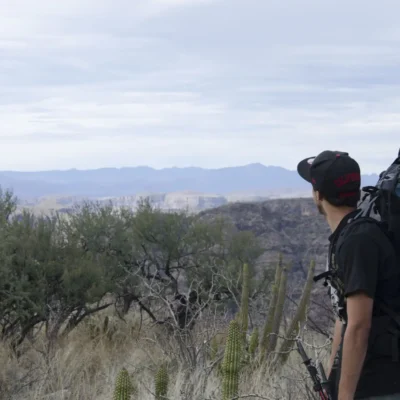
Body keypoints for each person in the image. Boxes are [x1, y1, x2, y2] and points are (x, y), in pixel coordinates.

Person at [297, 150, 400, 400]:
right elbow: (344, 316)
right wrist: (333, 379)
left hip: (379, 384)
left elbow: (358, 325)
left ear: (318, 195)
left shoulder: (358, 240)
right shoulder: (351, 234)